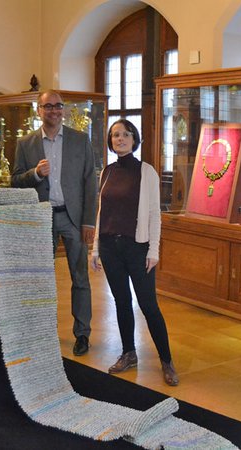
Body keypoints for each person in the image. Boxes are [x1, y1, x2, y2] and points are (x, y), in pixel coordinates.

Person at [90, 119, 179, 386]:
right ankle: (129, 353)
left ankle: (167, 360)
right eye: (115, 135)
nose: (120, 139)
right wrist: (95, 248)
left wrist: (154, 250)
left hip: (137, 248)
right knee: (121, 302)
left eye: (125, 134)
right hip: (109, 247)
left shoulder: (146, 171)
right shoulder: (106, 172)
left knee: (148, 305)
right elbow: (100, 212)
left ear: (134, 138)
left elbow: (154, 214)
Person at [12, 89, 96, 356]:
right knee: (40, 279)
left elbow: (90, 184)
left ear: (64, 109)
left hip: (73, 219)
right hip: (40, 219)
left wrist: (88, 222)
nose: (54, 111)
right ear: (39, 110)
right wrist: (35, 173)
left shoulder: (80, 140)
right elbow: (15, 181)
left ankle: (82, 334)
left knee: (80, 278)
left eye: (58, 106)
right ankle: (42, 331)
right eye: (47, 106)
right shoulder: (25, 144)